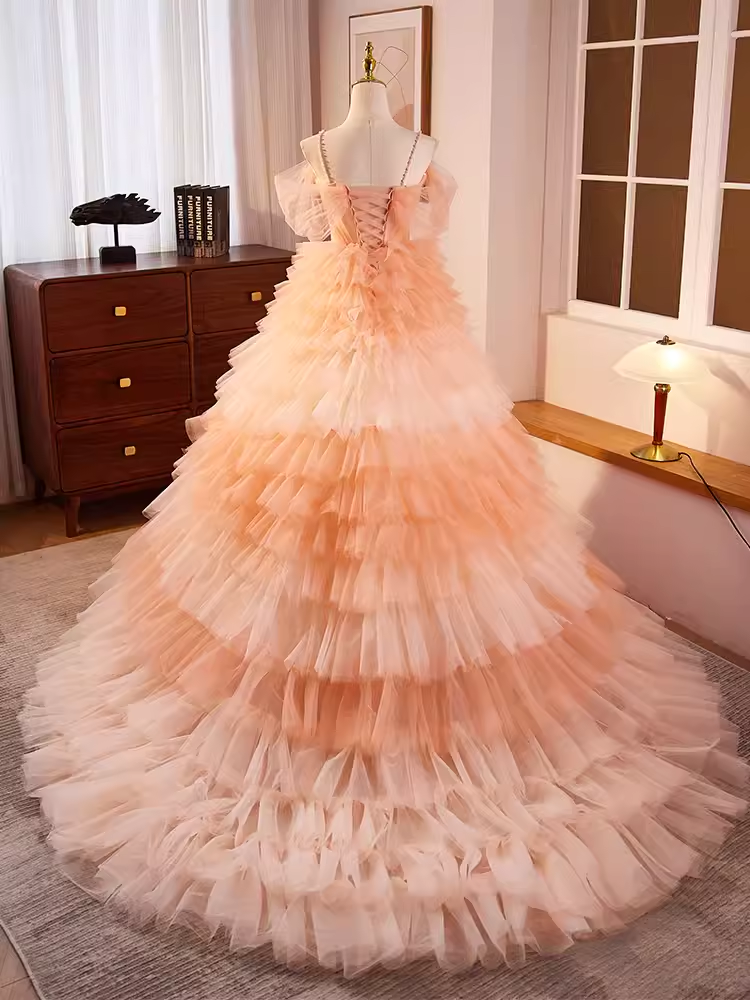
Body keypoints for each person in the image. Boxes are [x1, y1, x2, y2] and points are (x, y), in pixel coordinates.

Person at [21, 55, 746, 977]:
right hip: (355, 337)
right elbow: (400, 226)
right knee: (311, 506)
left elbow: (334, 227)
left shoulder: (345, 150)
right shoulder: (378, 150)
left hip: (392, 340)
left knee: (416, 510)